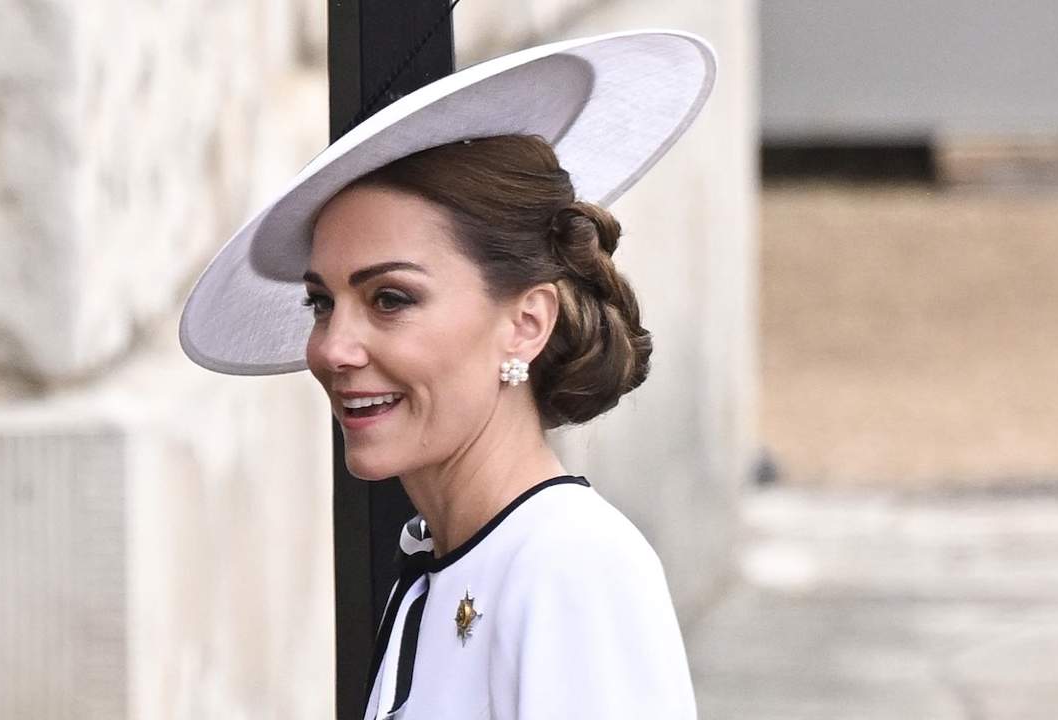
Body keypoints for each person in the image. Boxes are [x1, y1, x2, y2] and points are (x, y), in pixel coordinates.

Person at [179, 30, 716, 720]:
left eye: (391, 299)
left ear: (526, 321)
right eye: (322, 303)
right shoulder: (443, 563)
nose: (333, 348)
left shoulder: (570, 565)